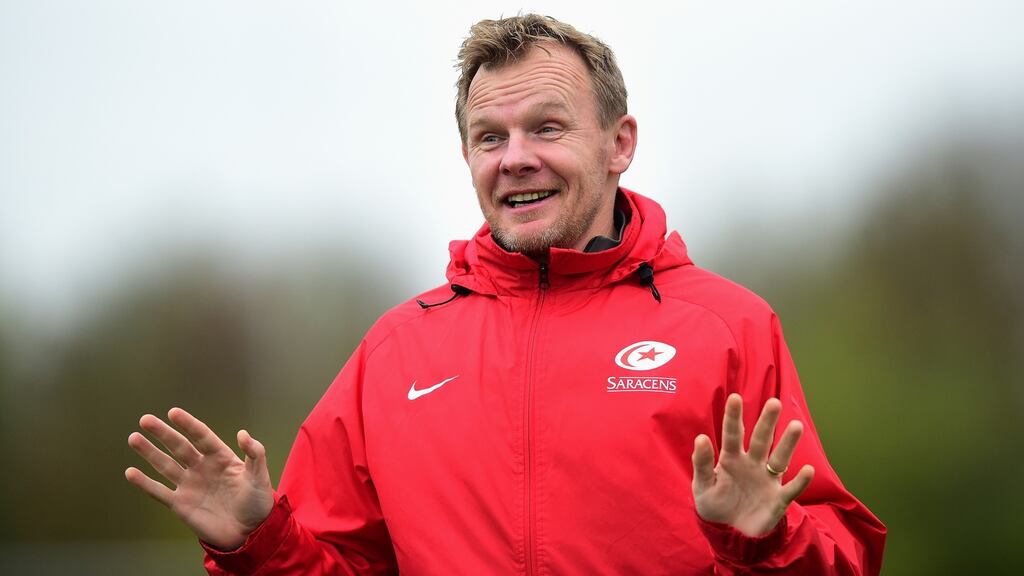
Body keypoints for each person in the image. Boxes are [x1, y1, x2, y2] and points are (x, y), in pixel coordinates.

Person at [126, 14, 886, 575]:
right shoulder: (396, 351)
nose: (516, 158)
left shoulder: (728, 326)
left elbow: (846, 554)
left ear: (619, 143)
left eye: (546, 128)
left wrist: (768, 541)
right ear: (467, 155)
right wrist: (259, 544)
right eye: (491, 137)